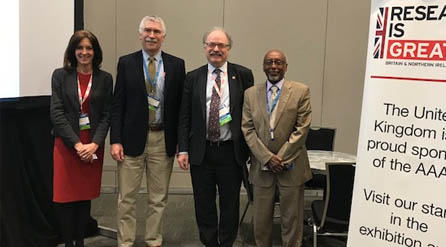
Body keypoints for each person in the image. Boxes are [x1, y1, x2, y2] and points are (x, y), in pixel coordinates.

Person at [109, 15, 186, 247]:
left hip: (163, 139)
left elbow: (181, 108)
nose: (151, 35)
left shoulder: (176, 64)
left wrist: (181, 143)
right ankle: (126, 242)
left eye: (156, 31)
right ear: (140, 34)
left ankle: (154, 241)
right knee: (127, 199)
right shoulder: (126, 62)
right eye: (147, 31)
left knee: (158, 198)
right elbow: (117, 104)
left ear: (163, 37)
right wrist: (116, 140)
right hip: (131, 140)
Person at [177, 27, 254, 247]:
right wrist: (183, 149)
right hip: (201, 152)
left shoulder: (243, 75)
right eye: (211, 44)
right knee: (204, 203)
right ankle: (209, 242)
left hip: (231, 152)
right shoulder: (193, 77)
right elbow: (184, 117)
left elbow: (251, 115)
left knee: (230, 204)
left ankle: (227, 243)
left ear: (229, 49)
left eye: (221, 45)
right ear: (204, 48)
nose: (216, 49)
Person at [241, 49, 312, 247]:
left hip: (292, 166)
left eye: (278, 62)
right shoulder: (250, 94)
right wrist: (266, 158)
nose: (274, 66)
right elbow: (247, 129)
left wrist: (280, 158)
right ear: (263, 66)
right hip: (261, 168)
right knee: (261, 222)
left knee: (292, 221)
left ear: (286, 67)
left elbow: (302, 128)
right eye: (269, 62)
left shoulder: (301, 91)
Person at [50, 30, 113, 247]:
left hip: (93, 145)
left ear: (95, 52)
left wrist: (94, 144)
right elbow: (56, 114)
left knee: (84, 197)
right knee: (66, 199)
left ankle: (80, 243)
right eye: (80, 48)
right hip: (67, 146)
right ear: (73, 51)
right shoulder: (60, 75)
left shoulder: (105, 78)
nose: (84, 52)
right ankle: (69, 243)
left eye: (89, 48)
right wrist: (78, 145)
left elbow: (107, 115)